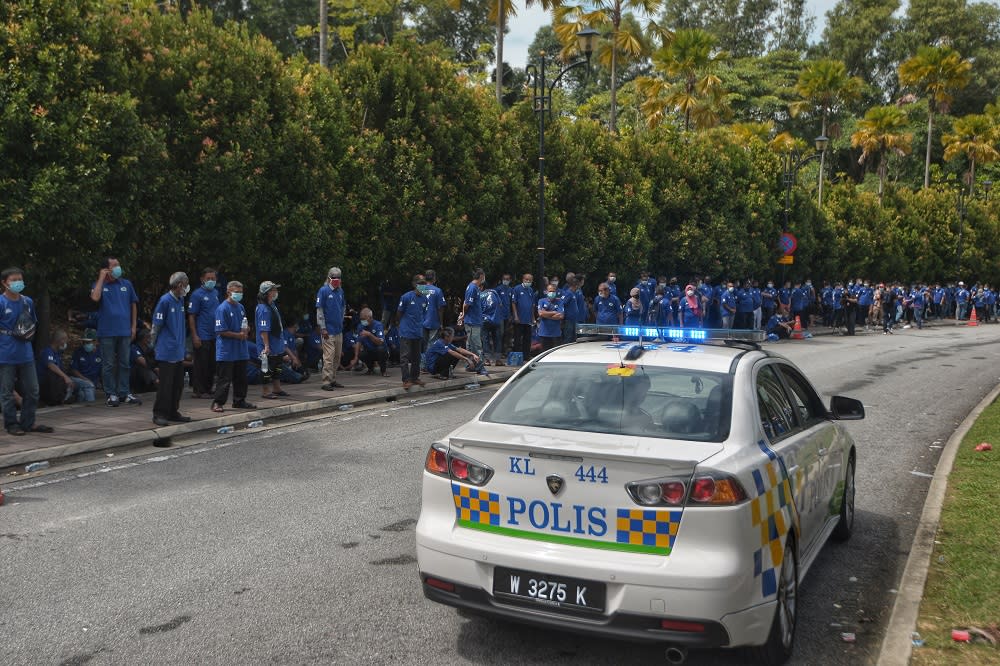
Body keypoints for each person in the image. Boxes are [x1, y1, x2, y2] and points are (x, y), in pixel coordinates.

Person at [1, 268, 52, 435]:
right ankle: (11, 424)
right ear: (4, 283)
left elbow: (32, 324)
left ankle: (28, 422)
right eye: (14, 279)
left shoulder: (27, 302)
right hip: (6, 353)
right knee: (7, 391)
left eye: (20, 279)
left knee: (33, 389)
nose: (18, 283)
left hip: (25, 352)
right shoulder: (1, 302)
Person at [90, 257, 141, 407]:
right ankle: (111, 394)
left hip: (125, 330)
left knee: (125, 362)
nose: (118, 267)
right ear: (106, 269)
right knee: (108, 364)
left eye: (118, 264)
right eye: (115, 265)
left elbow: (133, 305)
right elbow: (95, 297)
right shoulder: (99, 285)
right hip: (107, 331)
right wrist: (101, 278)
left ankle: (124, 392)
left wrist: (133, 327)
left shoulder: (126, 284)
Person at [150, 272, 191, 427]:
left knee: (178, 384)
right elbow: (156, 325)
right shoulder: (165, 301)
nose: (187, 288)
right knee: (165, 385)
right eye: (186, 284)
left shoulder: (180, 300)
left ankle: (173, 411)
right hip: (166, 350)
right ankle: (159, 413)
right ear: (180, 285)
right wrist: (153, 345)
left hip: (178, 350)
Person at [212, 281, 255, 413]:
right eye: (236, 292)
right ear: (229, 292)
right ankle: (218, 403)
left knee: (241, 377)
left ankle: (239, 400)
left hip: (240, 350)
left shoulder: (241, 307)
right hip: (226, 350)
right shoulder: (222, 308)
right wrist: (238, 335)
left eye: (241, 292)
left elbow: (243, 324)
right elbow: (220, 330)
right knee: (224, 379)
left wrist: (246, 329)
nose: (239, 294)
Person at [38, 329, 96, 405]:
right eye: (65, 341)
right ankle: (90, 406)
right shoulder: (47, 351)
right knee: (88, 385)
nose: (66, 343)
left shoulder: (57, 353)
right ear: (60, 340)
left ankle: (82, 408)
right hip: (49, 383)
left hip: (59, 381)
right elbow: (51, 365)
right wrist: (66, 377)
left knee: (83, 391)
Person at [187, 267, 219, 398]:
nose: (211, 281)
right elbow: (191, 316)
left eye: (213, 278)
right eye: (208, 279)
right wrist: (195, 335)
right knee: (201, 363)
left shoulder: (216, 293)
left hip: (214, 334)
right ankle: (199, 390)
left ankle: (208, 388)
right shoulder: (196, 295)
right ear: (202, 279)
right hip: (202, 334)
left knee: (211, 363)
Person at [316, 267, 346, 391]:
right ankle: (326, 381)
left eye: (338, 278)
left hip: (338, 329)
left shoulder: (340, 291)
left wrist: (341, 321)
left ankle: (333, 378)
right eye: (334, 278)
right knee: (328, 356)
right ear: (329, 278)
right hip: (328, 330)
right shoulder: (323, 291)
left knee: (337, 356)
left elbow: (343, 307)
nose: (336, 280)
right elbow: (320, 310)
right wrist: (323, 328)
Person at [257, 280, 288, 400]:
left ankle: (277, 388)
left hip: (277, 342)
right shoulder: (263, 308)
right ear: (267, 293)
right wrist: (266, 345)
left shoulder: (272, 305)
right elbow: (263, 329)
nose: (276, 292)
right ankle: (265, 391)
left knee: (277, 366)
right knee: (267, 367)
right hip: (268, 343)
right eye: (273, 290)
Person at [397, 275, 429, 389]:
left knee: (417, 357)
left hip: (417, 332)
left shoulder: (425, 298)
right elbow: (399, 313)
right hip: (406, 332)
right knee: (405, 357)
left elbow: (423, 312)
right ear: (415, 285)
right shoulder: (406, 297)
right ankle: (405, 380)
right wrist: (401, 325)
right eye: (421, 284)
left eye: (425, 284)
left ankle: (414, 378)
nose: (423, 286)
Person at [349, 307, 388, 376]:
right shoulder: (360, 326)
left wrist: (369, 335)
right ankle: (370, 369)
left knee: (381, 349)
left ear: (370, 317)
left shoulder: (378, 325)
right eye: (361, 319)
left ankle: (383, 371)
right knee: (361, 353)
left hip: (380, 351)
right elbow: (358, 342)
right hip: (369, 351)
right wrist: (355, 357)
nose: (362, 321)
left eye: (363, 319)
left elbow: (380, 342)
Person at [459, 268, 485, 363]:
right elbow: (466, 304)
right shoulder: (473, 287)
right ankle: (479, 365)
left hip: (474, 320)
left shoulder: (474, 287)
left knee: (470, 344)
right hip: (472, 321)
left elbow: (465, 302)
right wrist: (463, 315)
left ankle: (471, 364)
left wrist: (463, 315)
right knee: (476, 345)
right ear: (481, 276)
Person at [421, 269, 446, 365]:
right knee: (431, 344)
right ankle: (428, 364)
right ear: (434, 278)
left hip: (421, 321)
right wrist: (441, 322)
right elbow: (440, 308)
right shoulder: (438, 290)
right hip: (433, 321)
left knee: (423, 344)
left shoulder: (420, 289)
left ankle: (422, 365)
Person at [69, 328, 102, 397]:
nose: (85, 344)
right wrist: (85, 380)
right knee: (87, 387)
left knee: (82, 394)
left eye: (88, 342)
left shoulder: (101, 353)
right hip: (80, 380)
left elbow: (104, 370)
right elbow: (73, 370)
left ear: (95, 342)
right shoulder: (78, 352)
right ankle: (91, 406)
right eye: (84, 342)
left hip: (93, 382)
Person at [511, 274, 536, 360]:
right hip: (519, 319)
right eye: (526, 279)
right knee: (517, 339)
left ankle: (526, 356)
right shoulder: (517, 289)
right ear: (523, 279)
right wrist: (516, 316)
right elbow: (513, 303)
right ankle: (517, 356)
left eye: (530, 280)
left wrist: (533, 318)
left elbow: (532, 305)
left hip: (528, 319)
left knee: (527, 339)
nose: (528, 281)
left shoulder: (530, 290)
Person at [480, 283, 503, 365]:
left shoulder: (480, 295)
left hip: (484, 320)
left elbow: (478, 308)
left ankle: (487, 360)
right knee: (497, 339)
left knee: (485, 339)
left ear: (481, 287)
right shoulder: (494, 292)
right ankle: (498, 360)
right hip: (496, 319)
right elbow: (500, 304)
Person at [129, 329, 159, 393]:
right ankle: (158, 383)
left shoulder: (149, 349)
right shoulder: (134, 347)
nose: (150, 340)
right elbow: (143, 362)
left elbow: (157, 361)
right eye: (148, 337)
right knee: (142, 367)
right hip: (135, 377)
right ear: (141, 339)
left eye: (150, 337)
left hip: (147, 379)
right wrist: (154, 367)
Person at [537, 285, 564, 351]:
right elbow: (540, 313)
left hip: (556, 333)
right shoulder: (541, 301)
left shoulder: (560, 301)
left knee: (556, 354)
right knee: (544, 354)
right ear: (546, 292)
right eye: (550, 291)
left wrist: (545, 314)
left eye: (553, 291)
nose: (552, 293)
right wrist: (554, 312)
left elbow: (561, 316)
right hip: (544, 333)